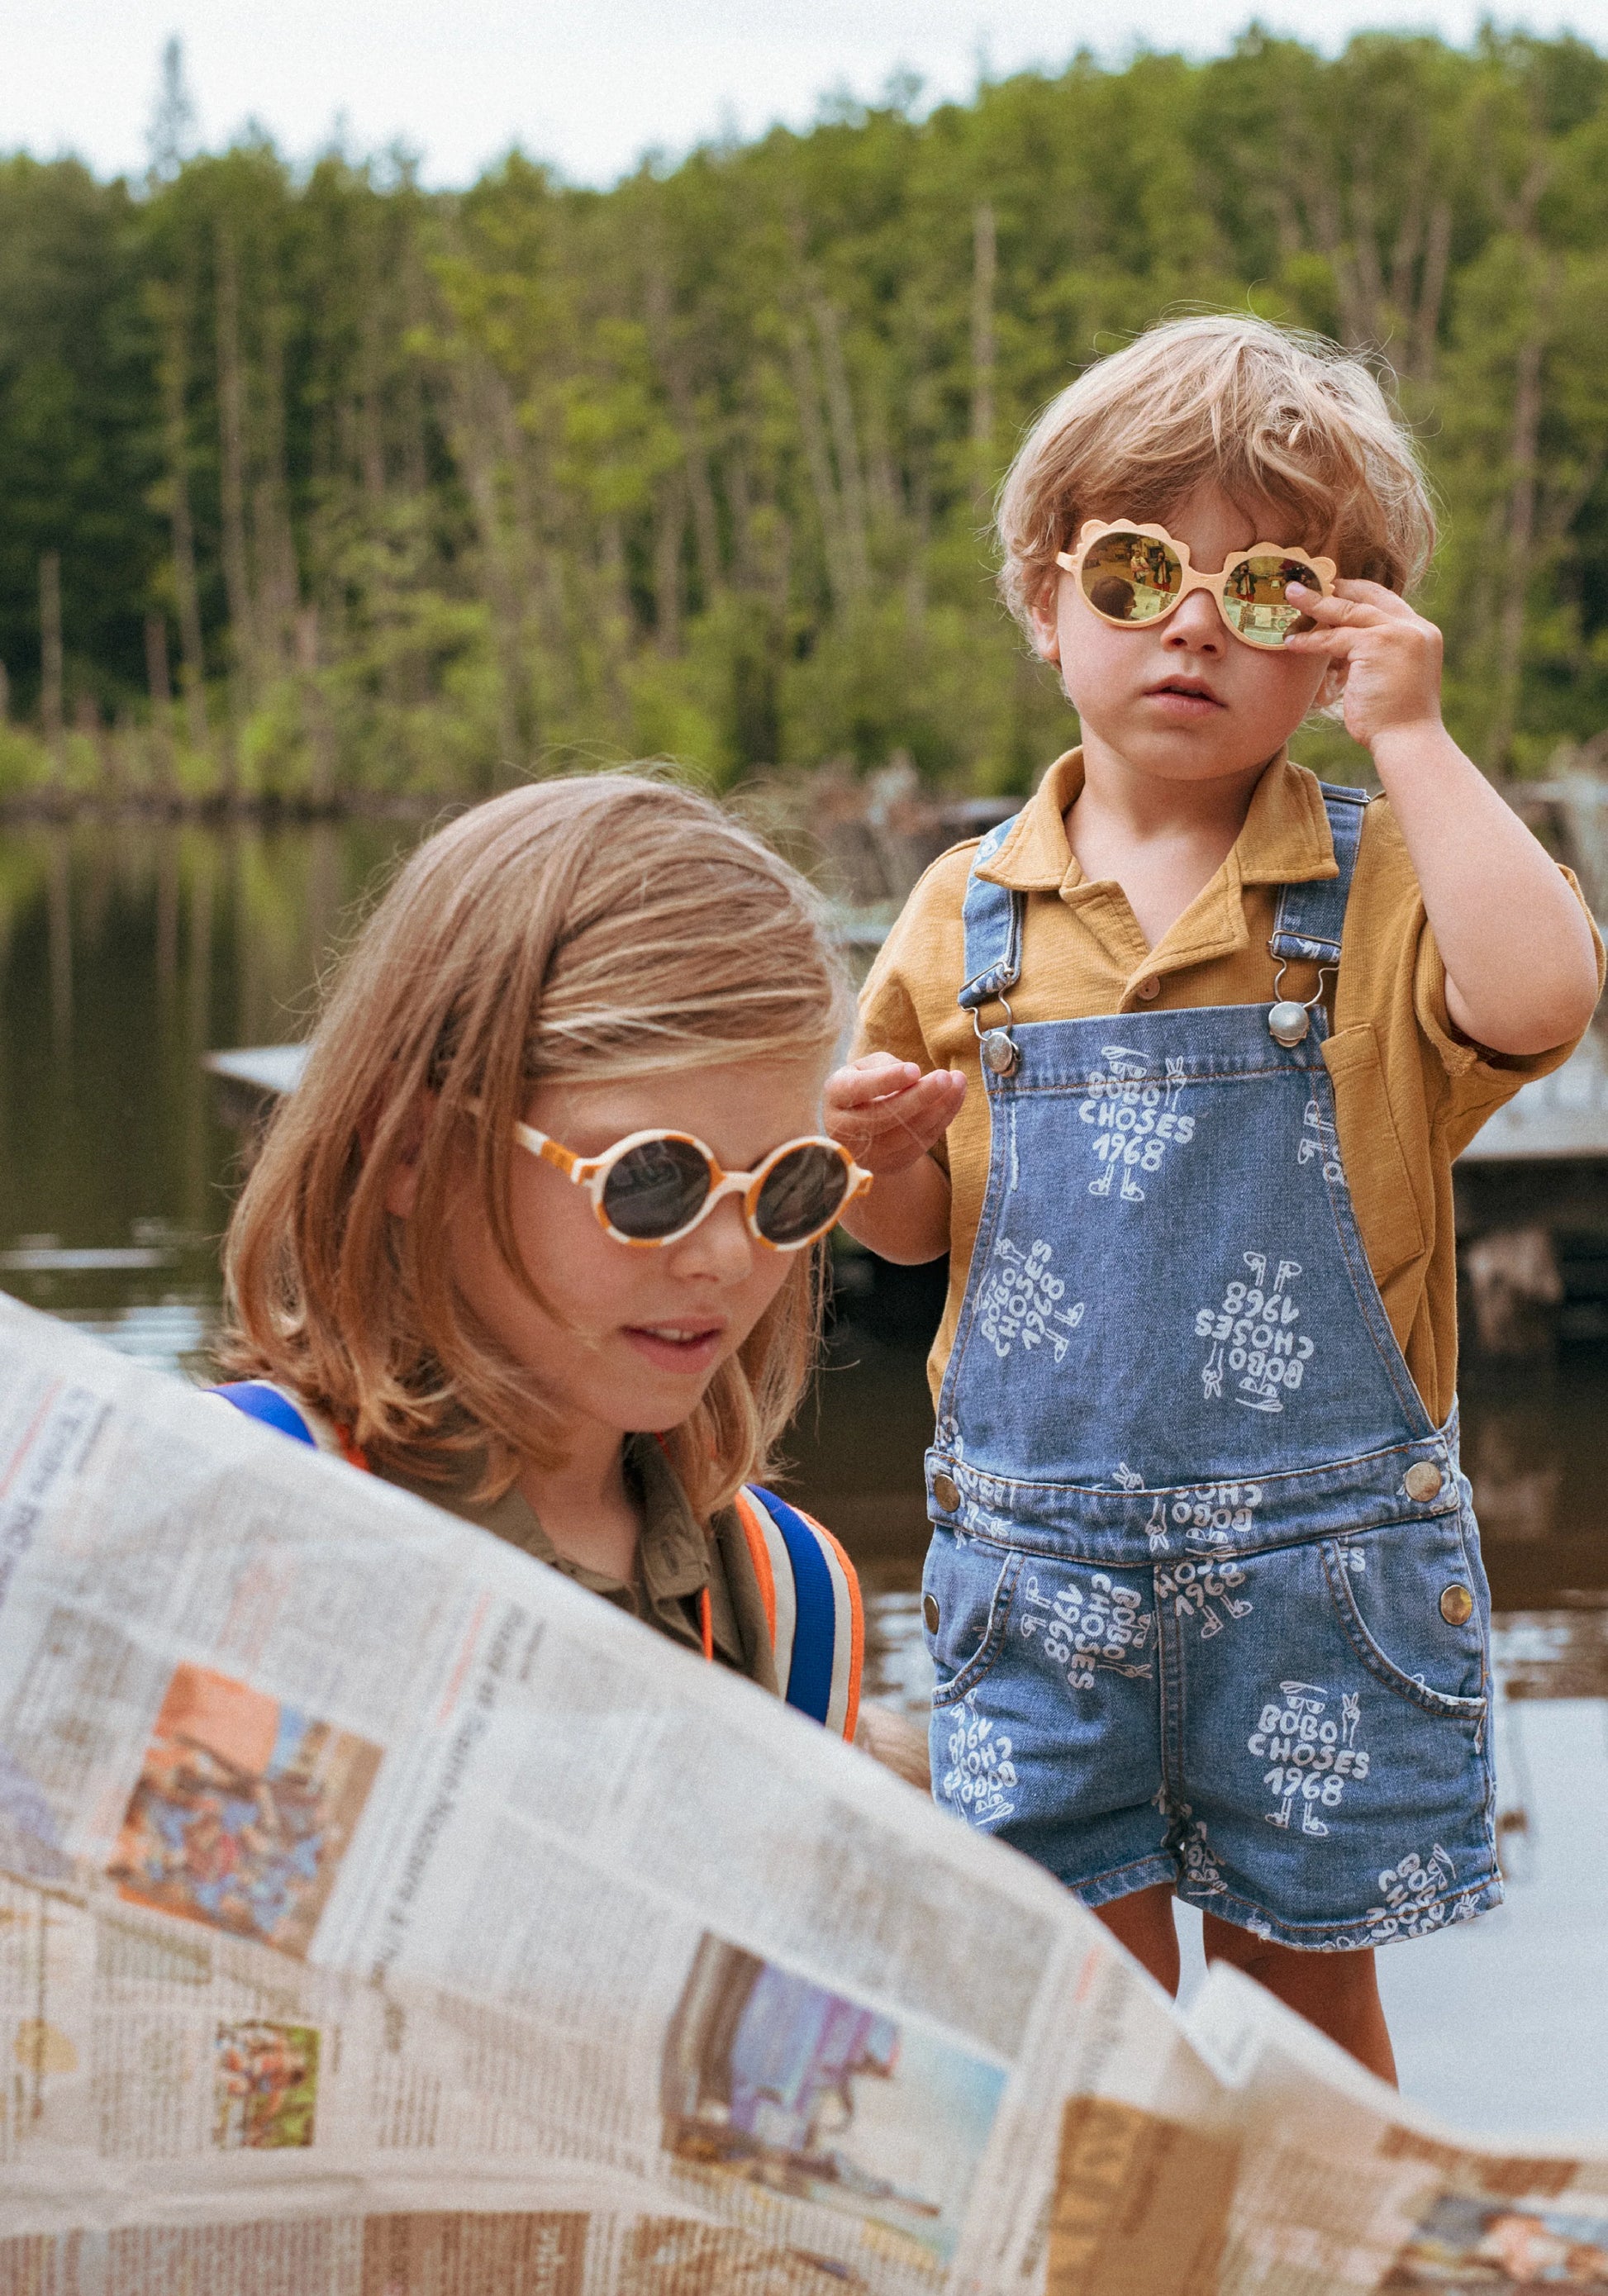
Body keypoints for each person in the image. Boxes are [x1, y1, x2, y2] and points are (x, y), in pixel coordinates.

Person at [825, 313, 1604, 2080]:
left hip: (1324, 1572)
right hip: (1036, 1571)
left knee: (1301, 2015)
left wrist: (1410, 736)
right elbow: (918, 1240)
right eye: (1132, 569)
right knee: (1065, 2005)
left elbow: (1544, 998)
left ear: (1332, 640)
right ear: (1044, 602)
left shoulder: (1386, 870)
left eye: (1263, 589)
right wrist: (876, 1160)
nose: (1187, 618)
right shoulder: (965, 907)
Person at [209, 774, 920, 1773]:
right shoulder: (234, 1500)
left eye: (787, 1184)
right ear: (414, 1151)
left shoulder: (796, 1598)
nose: (724, 1255)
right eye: (651, 1180)